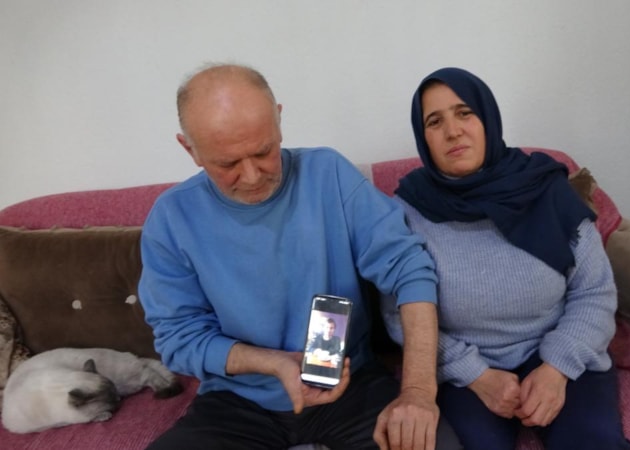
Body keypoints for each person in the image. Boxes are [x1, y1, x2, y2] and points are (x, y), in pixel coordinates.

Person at [138, 63, 460, 450]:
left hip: (352, 387)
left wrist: (418, 392)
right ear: (189, 149)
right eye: (227, 164)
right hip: (236, 403)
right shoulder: (171, 218)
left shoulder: (329, 174)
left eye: (263, 151)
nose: (252, 176)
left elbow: (410, 270)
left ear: (278, 120)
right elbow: (178, 338)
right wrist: (274, 363)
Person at [381, 67, 630, 450]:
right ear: (423, 137)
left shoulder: (547, 189)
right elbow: (399, 314)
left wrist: (556, 368)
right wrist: (476, 375)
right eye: (435, 121)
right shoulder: (408, 211)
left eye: (465, 113)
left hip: (556, 348)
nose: (453, 131)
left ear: (488, 117)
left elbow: (594, 291)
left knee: (594, 441)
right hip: (466, 370)